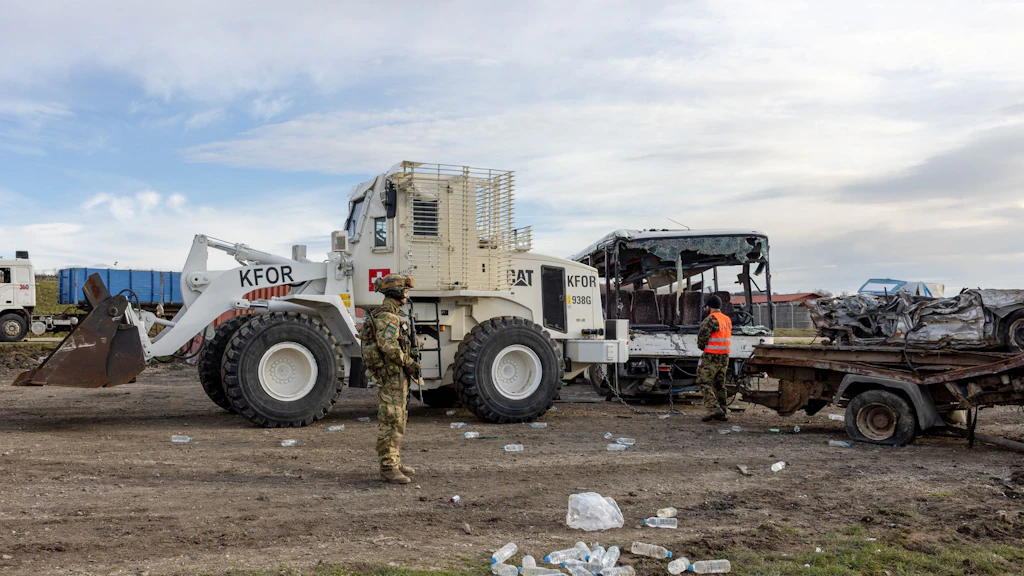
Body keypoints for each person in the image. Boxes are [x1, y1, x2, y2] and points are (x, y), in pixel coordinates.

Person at [361, 273, 420, 484]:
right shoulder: (388, 317)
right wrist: (409, 363)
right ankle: (388, 467)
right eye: (405, 291)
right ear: (396, 292)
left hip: (396, 375)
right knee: (391, 420)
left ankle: (394, 460)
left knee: (398, 419)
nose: (407, 295)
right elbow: (389, 347)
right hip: (392, 375)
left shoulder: (391, 314)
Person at [696, 294, 732, 422]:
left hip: (711, 356)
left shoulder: (710, 320)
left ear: (708, 306)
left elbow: (702, 340)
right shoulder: (726, 319)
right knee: (719, 384)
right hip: (724, 356)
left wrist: (703, 348)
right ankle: (722, 410)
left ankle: (714, 409)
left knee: (703, 382)